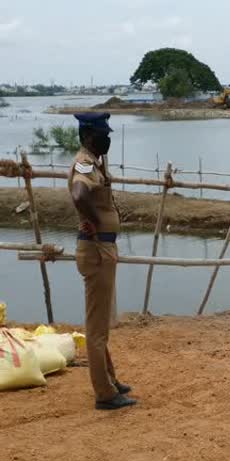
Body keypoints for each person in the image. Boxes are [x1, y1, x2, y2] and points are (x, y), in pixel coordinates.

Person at [69, 113, 135, 411]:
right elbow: (79, 194)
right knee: (96, 329)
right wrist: (93, 221)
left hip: (102, 250)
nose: (107, 138)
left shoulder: (95, 162)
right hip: (96, 250)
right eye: (101, 134)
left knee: (102, 324)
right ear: (87, 136)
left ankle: (110, 380)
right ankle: (105, 395)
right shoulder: (84, 162)